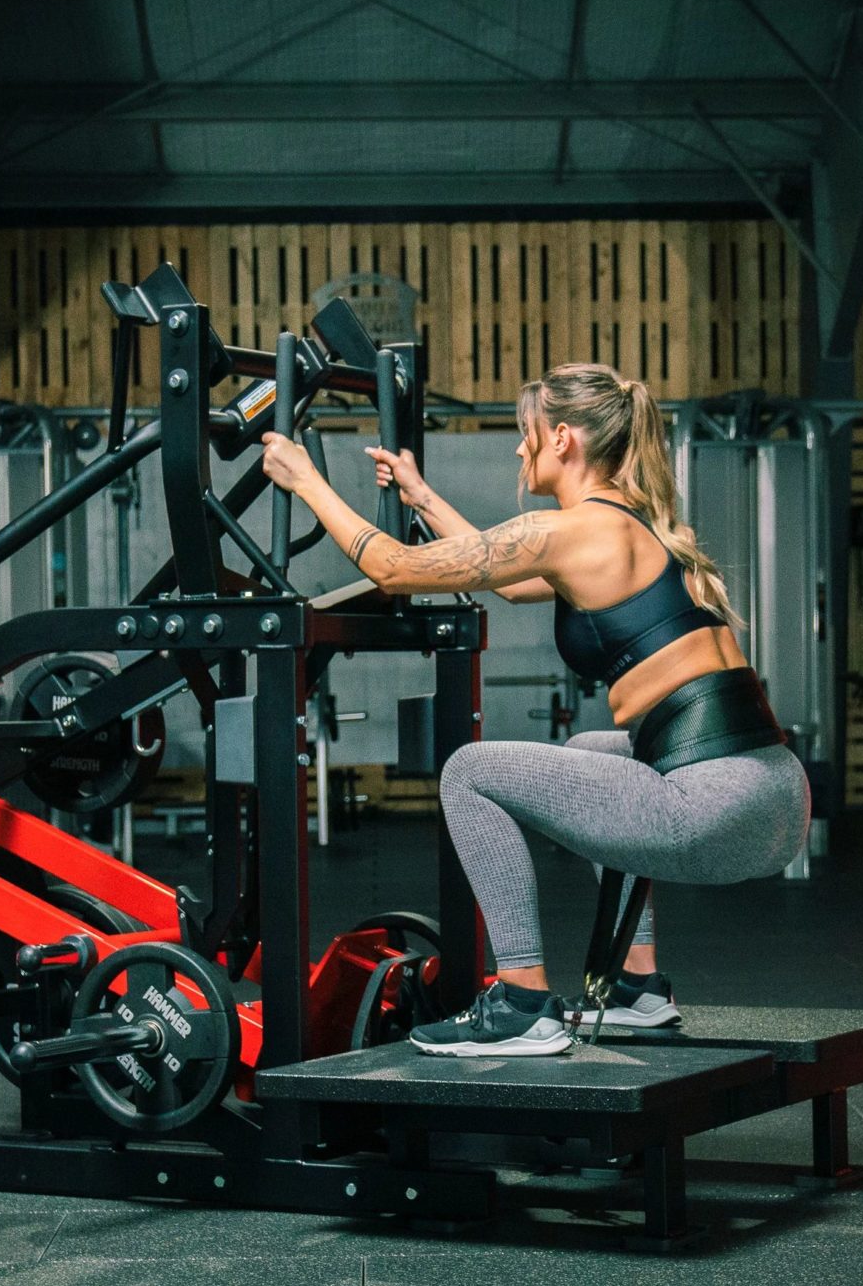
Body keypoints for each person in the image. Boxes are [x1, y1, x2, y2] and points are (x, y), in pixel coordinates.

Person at [257, 361, 810, 1056]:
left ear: (564, 439)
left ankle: (521, 1002)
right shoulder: (630, 528)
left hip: (711, 810)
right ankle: (639, 987)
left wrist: (305, 480)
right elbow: (514, 583)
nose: (520, 448)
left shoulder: (572, 530)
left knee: (469, 772)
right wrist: (423, 495)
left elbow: (394, 568)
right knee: (591, 752)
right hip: (776, 798)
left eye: (528, 433)